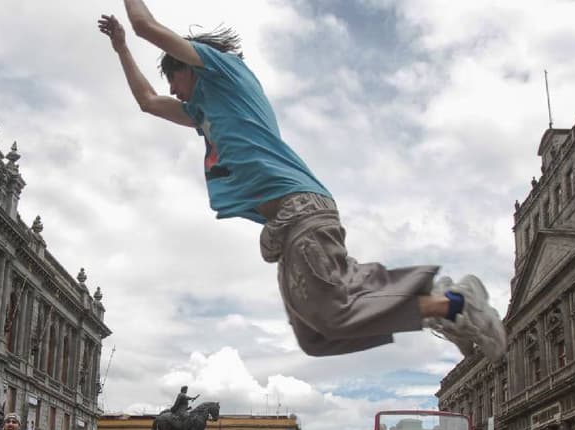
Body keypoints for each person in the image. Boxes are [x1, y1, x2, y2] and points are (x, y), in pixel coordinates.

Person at [97, 2, 507, 362]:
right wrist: (120, 49)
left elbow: (146, 25)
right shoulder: (204, 111)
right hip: (288, 224)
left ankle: (453, 304)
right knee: (317, 336)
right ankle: (441, 301)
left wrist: (133, 31)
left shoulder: (224, 73)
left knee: (332, 312)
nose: (173, 88)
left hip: (301, 211)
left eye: (174, 76)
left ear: (189, 66)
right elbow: (149, 102)